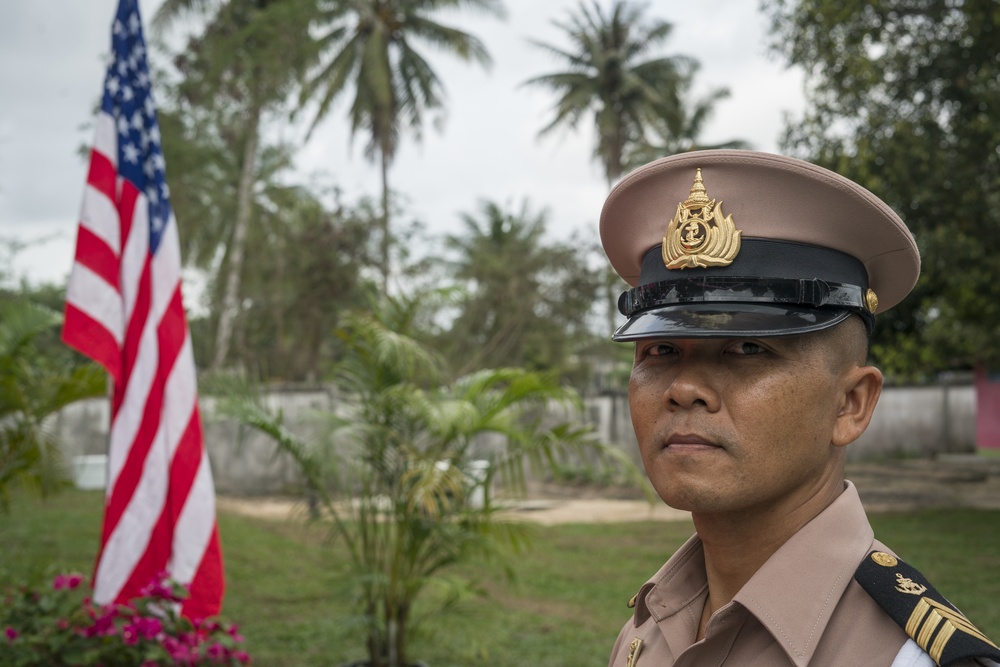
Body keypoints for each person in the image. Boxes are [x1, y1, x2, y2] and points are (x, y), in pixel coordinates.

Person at [600, 150, 1000, 667]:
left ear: (851, 405)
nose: (684, 388)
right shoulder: (648, 630)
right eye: (661, 350)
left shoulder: (907, 658)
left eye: (747, 349)